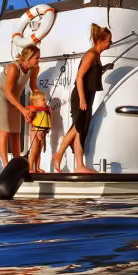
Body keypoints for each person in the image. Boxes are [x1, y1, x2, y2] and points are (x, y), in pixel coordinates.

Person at [53, 24, 113, 173]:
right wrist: (82, 99)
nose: (110, 43)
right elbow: (79, 77)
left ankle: (79, 166)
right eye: (109, 40)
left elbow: (91, 75)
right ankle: (60, 154)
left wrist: (105, 68)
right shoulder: (91, 55)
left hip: (88, 95)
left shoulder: (96, 56)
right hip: (82, 95)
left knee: (81, 129)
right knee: (78, 127)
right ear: (100, 41)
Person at [0, 44, 41, 169]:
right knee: (5, 130)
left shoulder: (34, 68)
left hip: (14, 98)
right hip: (1, 97)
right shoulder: (14, 68)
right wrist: (23, 110)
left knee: (15, 131)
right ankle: (5, 163)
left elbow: (33, 86)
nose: (38, 60)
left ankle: (17, 161)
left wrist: (39, 99)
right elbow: (7, 92)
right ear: (28, 58)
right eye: (37, 57)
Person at [26, 90, 52, 173]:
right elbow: (29, 117)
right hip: (34, 132)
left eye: (45, 99)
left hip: (42, 133)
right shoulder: (34, 110)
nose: (45, 101)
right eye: (43, 100)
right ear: (35, 103)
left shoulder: (46, 110)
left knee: (39, 152)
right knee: (34, 150)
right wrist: (30, 115)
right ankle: (30, 168)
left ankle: (37, 167)